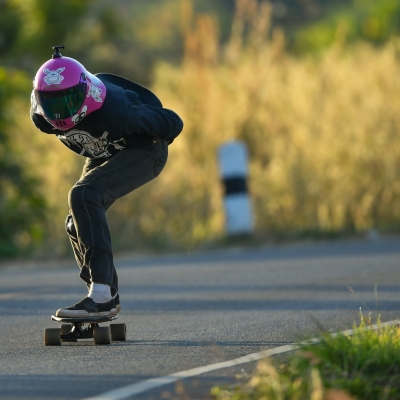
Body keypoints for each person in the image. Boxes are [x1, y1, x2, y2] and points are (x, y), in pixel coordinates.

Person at [30, 45, 183, 318]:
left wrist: (146, 135)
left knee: (84, 194)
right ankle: (105, 295)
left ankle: (100, 296)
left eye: (68, 100)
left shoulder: (117, 112)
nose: (59, 112)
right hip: (103, 149)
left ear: (86, 93)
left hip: (144, 149)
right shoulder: (43, 119)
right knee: (76, 222)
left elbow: (174, 121)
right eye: (51, 102)